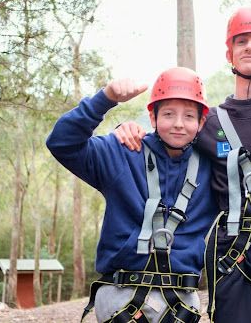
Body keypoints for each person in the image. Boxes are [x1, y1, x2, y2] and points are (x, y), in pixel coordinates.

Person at [114, 6, 251, 323]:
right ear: (229, 52)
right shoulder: (209, 121)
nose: (250, 46)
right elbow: (166, 141)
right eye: (242, 40)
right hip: (234, 256)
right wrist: (128, 129)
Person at [46, 67, 217, 323]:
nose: (179, 123)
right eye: (169, 114)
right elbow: (62, 143)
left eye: (189, 116)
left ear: (201, 122)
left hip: (180, 300)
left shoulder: (214, 168)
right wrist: (106, 98)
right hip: (122, 295)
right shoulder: (123, 152)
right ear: (152, 116)